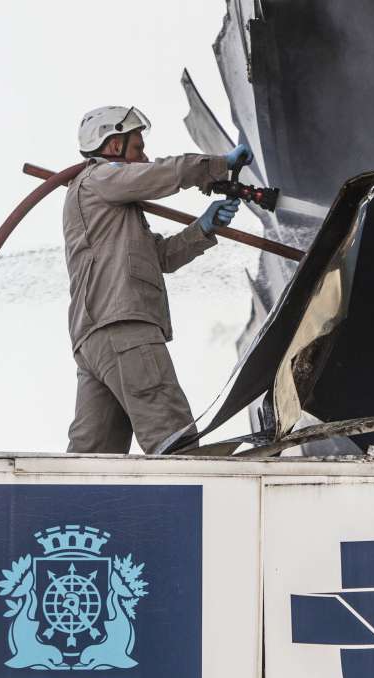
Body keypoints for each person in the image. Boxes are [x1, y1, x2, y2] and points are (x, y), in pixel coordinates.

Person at [64, 105, 252, 454]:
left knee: (93, 460)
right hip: (124, 331)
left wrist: (204, 227)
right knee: (173, 441)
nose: (145, 157)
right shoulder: (100, 177)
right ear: (113, 145)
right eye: (137, 148)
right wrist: (217, 165)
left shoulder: (111, 207)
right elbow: (159, 174)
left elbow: (161, 257)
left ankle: (68, 497)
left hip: (97, 341)